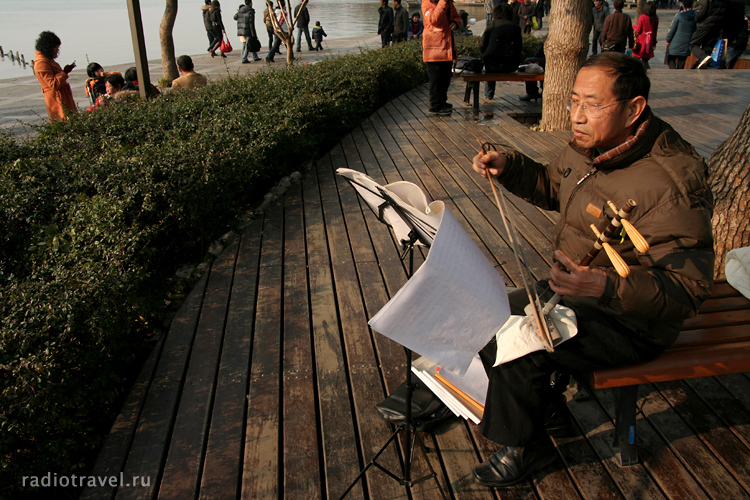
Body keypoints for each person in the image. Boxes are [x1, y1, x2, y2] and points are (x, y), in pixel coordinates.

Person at [470, 51, 714, 488]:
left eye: (592, 104)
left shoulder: (672, 181)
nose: (577, 116)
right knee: (487, 311)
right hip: (578, 290)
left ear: (634, 109)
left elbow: (688, 288)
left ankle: (526, 447)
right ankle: (548, 413)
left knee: (524, 340)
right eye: (573, 101)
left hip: (633, 320)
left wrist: (603, 285)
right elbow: (554, 185)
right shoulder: (591, 146)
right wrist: (510, 167)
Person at [422, 0, 462, 116]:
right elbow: (434, 20)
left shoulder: (447, 3)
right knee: (436, 79)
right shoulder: (427, 3)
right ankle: (435, 105)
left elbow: (457, 17)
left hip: (446, 47)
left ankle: (442, 102)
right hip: (434, 49)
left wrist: (455, 23)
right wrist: (443, 3)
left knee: (445, 78)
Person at [33, 31, 77, 122]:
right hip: (57, 100)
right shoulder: (41, 63)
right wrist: (64, 72)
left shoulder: (48, 59)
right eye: (56, 48)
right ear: (48, 47)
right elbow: (53, 84)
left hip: (62, 96)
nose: (57, 50)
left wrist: (64, 72)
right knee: (63, 121)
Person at [481, 4, 522, 100]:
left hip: (492, 65)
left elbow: (482, 45)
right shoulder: (516, 28)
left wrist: (484, 53)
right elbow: (519, 48)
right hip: (511, 65)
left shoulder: (492, 25)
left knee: (489, 61)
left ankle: (489, 94)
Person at [690, 0, 745, 68]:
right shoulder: (725, 2)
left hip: (705, 25)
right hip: (717, 27)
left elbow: (701, 14)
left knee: (693, 44)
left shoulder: (707, 1)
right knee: (708, 47)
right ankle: (705, 62)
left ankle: (703, 57)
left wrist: (697, 19)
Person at [665, 0, 697, 69]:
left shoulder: (679, 15)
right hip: (688, 42)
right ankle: (679, 74)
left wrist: (668, 39)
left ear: (683, 5)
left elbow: (672, 29)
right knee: (681, 61)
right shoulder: (696, 15)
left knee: (670, 59)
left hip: (676, 42)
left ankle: (674, 72)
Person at [632, 1, 659, 68]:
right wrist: (654, 43)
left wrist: (633, 27)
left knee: (636, 57)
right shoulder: (656, 18)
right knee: (645, 60)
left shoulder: (642, 17)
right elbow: (655, 32)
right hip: (649, 41)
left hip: (641, 40)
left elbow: (638, 30)